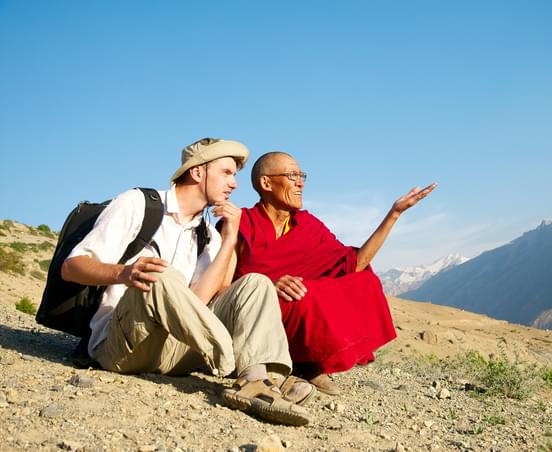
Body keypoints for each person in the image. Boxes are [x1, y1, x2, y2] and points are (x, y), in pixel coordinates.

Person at [61, 138, 313, 426]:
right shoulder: (137, 204)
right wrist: (124, 273)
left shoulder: (208, 233)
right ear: (197, 172)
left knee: (257, 282)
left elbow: (197, 301)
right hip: (121, 347)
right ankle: (235, 364)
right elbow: (72, 267)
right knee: (160, 274)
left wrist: (230, 238)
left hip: (172, 352)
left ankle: (260, 381)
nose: (234, 184)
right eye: (227, 173)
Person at [232, 151, 436, 395]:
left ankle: (305, 364)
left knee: (362, 281)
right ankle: (276, 364)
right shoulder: (241, 222)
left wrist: (394, 214)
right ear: (266, 183)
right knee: (305, 294)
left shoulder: (308, 225)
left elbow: (352, 264)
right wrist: (268, 284)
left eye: (302, 176)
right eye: (292, 175)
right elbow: (226, 279)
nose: (300, 183)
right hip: (254, 312)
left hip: (295, 309)